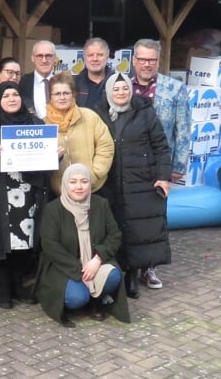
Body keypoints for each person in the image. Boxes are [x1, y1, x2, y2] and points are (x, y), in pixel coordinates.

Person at [95, 73, 172, 299]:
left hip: (140, 181)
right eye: (116, 89)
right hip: (110, 182)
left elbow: (161, 145)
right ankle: (115, 274)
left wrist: (163, 176)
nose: (121, 93)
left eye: (125, 88)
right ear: (109, 93)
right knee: (115, 229)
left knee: (138, 231)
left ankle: (133, 276)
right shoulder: (98, 114)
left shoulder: (145, 113)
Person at [0, 82, 49, 309]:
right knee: (2, 243)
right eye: (6, 95)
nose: (11, 99)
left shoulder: (36, 123)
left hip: (28, 192)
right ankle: (3, 291)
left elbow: (46, 159)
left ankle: (19, 287)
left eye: (15, 94)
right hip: (0, 192)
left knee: (24, 242)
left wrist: (55, 154)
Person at [36, 164, 129, 328]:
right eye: (73, 182)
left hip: (94, 262)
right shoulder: (53, 209)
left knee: (114, 276)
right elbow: (50, 246)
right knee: (77, 298)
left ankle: (96, 301)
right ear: (65, 184)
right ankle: (82, 295)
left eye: (84, 181)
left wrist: (98, 259)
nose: (78, 186)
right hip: (63, 266)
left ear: (90, 184)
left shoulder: (101, 204)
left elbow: (114, 236)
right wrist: (79, 272)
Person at [130, 38, 190, 289]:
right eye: (142, 59)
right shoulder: (121, 86)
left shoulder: (175, 89)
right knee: (130, 215)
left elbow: (184, 130)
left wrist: (178, 166)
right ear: (133, 60)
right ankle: (129, 264)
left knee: (155, 219)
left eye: (151, 60)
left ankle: (150, 268)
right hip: (129, 164)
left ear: (158, 61)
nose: (146, 64)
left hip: (159, 166)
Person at [45, 72, 115, 195]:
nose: (62, 97)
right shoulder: (43, 124)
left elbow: (106, 147)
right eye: (57, 94)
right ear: (50, 97)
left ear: (73, 95)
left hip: (93, 190)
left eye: (66, 93)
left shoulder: (90, 116)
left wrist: (94, 174)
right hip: (59, 193)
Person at [19, 40, 57, 118]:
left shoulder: (63, 82)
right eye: (40, 56)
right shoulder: (23, 82)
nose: (44, 60)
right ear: (32, 58)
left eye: (48, 56)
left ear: (55, 58)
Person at [74, 38, 114, 110]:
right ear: (84, 57)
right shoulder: (74, 84)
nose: (95, 59)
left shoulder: (117, 82)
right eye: (90, 55)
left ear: (107, 56)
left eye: (100, 55)